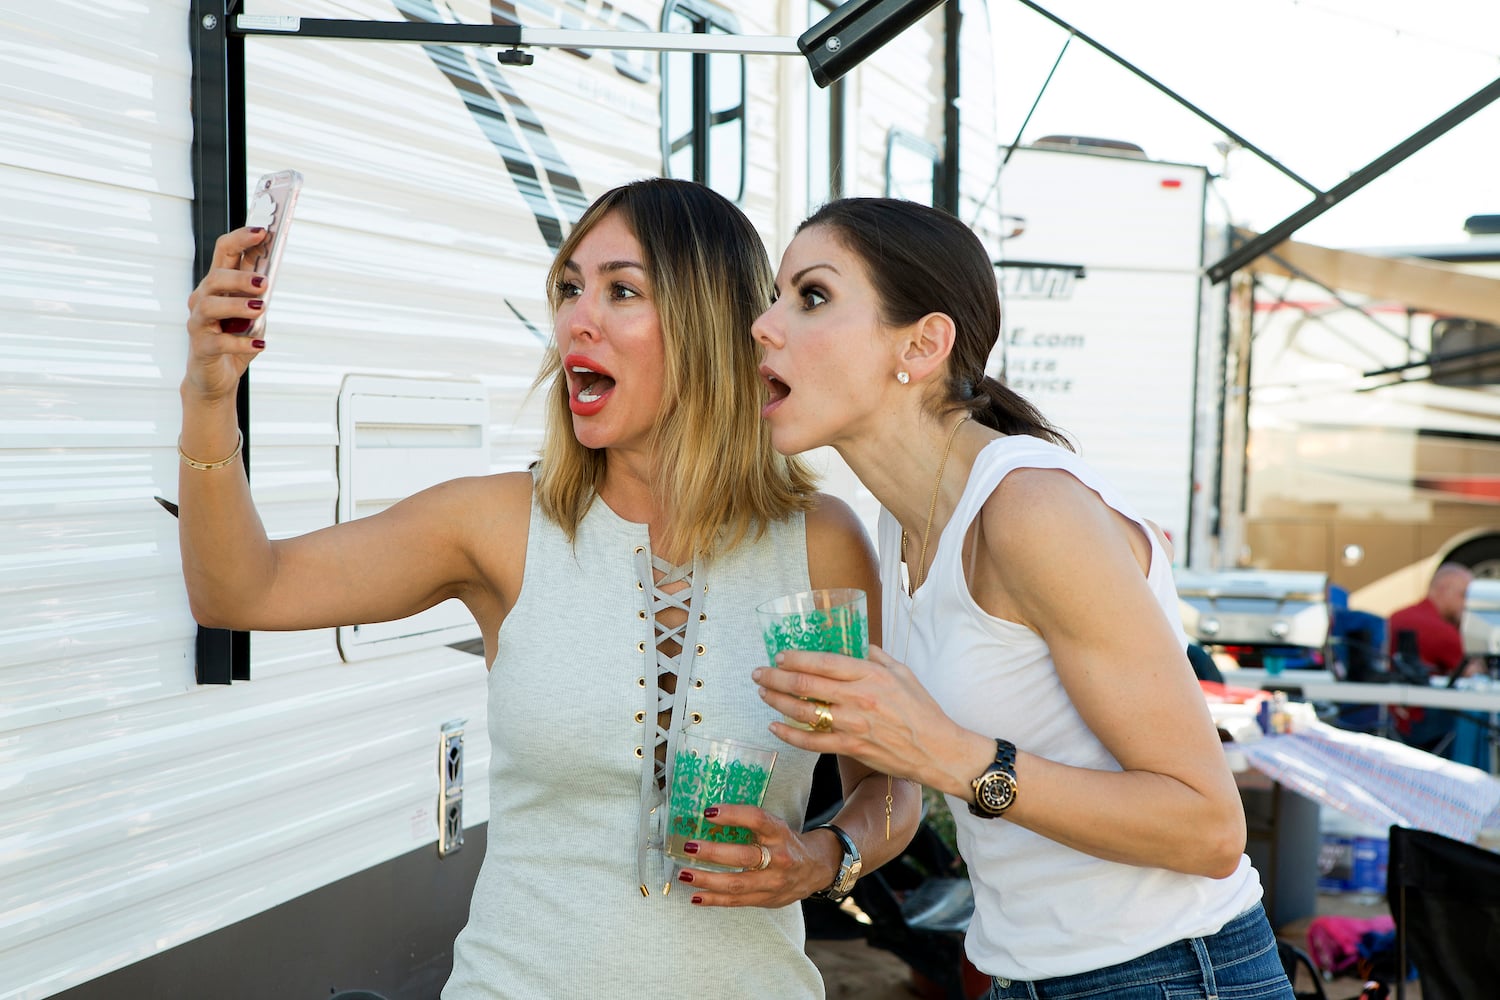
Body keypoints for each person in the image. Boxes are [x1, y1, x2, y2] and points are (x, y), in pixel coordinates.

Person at [180, 178, 919, 998]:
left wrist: (824, 858)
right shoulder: (501, 526)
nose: (576, 320)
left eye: (621, 291)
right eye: (569, 289)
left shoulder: (817, 544)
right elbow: (242, 591)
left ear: (709, 322)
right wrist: (209, 395)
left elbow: (888, 783)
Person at [750, 197, 1294, 998]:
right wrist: (826, 852)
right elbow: (896, 784)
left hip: (1172, 971)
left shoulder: (1029, 509)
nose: (764, 326)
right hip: (1024, 975)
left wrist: (955, 756)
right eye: (776, 297)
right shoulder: (899, 526)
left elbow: (1208, 828)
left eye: (812, 296)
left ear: (922, 345)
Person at [1385, 562, 1480, 753]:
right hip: (1416, 722)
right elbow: (1474, 672)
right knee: (1477, 716)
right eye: (1464, 596)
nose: (1467, 605)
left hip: (1390, 719)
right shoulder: (1439, 629)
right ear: (1444, 589)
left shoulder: (1399, 615)